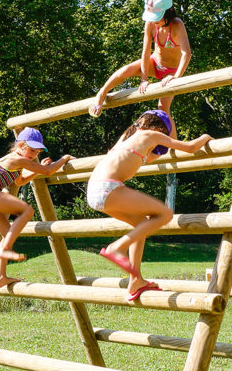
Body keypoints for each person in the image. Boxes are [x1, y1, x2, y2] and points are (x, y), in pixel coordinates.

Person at [87, 110, 211, 300]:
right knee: (165, 214)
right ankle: (116, 248)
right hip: (108, 187)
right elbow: (191, 147)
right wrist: (206, 137)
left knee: (141, 225)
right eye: (163, 131)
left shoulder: (127, 138)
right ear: (156, 128)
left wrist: (166, 141)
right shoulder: (149, 134)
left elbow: (159, 153)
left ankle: (135, 280)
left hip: (95, 190)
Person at [0, 127, 72, 288]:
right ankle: (6, 250)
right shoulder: (18, 160)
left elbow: (20, 181)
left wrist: (39, 170)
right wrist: (64, 158)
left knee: (7, 233)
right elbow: (47, 171)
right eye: (31, 150)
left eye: (37, 152)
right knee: (28, 210)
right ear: (20, 146)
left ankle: (1, 277)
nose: (34, 155)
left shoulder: (17, 162)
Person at [89, 0, 192, 118]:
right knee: (125, 70)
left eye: (158, 18)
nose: (155, 22)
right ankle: (102, 93)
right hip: (155, 63)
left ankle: (172, 139)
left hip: (172, 71)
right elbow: (146, 51)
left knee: (162, 108)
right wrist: (144, 79)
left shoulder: (177, 25)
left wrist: (176, 77)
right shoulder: (150, 24)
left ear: (169, 12)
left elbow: (186, 53)